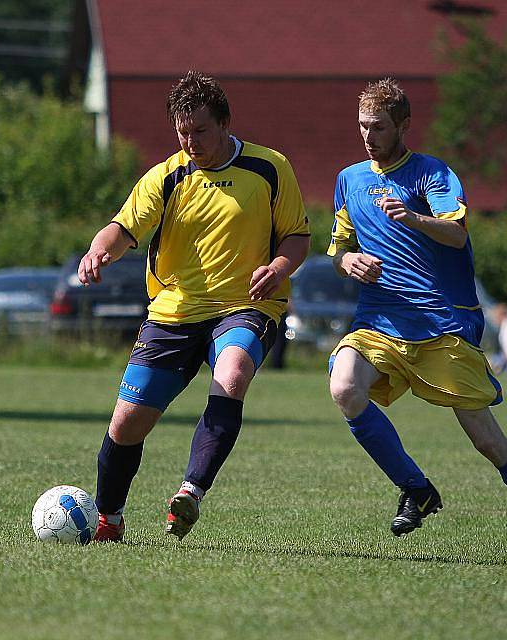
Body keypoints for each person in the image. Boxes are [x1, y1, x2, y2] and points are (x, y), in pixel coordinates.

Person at [326, 78, 507, 567]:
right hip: (380, 321)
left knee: (488, 441)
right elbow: (337, 247)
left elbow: (457, 233)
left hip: (444, 325)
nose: (368, 135)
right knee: (344, 388)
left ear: (403, 124)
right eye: (362, 126)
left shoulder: (431, 174)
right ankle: (416, 489)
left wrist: (415, 217)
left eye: (378, 126)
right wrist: (346, 262)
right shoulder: (349, 178)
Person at [78, 71, 310, 542]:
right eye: (182, 132)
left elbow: (297, 236)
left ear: (225, 123)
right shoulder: (166, 176)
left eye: (200, 131)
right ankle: (108, 517)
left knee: (233, 373)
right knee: (126, 425)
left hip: (246, 306)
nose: (190, 142)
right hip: (174, 313)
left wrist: (281, 266)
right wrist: (98, 249)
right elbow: (122, 228)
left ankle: (191, 492)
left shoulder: (269, 168)